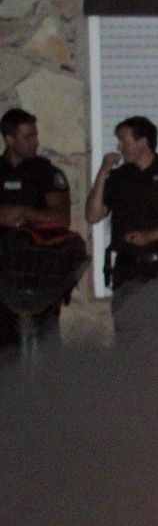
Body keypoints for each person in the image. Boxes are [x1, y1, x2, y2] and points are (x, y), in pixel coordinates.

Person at [85, 115, 158, 331]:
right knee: (128, 342)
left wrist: (151, 236)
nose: (119, 147)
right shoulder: (119, 178)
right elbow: (93, 215)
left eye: (124, 140)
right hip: (127, 272)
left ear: (143, 141)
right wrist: (103, 172)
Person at [0, 107, 72, 354]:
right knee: (6, 350)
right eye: (28, 136)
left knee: (48, 345)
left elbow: (62, 219)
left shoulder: (47, 173)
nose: (36, 142)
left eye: (35, 135)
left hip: (41, 272)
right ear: (9, 140)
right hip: (3, 273)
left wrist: (25, 213)